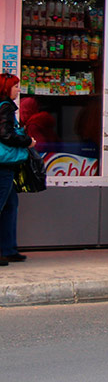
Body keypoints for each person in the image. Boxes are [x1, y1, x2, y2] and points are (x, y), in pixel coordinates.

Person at [0, 73, 33, 266]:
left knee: (11, 205)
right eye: (15, 86)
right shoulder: (5, 107)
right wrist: (27, 141)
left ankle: (9, 249)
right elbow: (5, 135)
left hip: (5, 166)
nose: (19, 89)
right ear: (6, 88)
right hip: (3, 165)